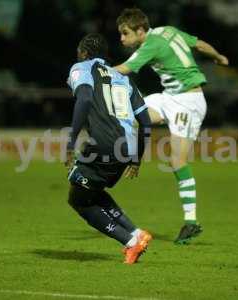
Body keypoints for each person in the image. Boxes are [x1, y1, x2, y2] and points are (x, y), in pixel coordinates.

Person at [114, 8, 229, 244]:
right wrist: (218, 57)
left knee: (177, 161)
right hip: (169, 96)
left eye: (125, 34)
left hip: (188, 103)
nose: (122, 39)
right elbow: (199, 44)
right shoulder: (169, 31)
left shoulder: (151, 44)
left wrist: (93, 71)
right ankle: (128, 158)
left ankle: (191, 222)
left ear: (140, 30)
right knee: (131, 113)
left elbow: (125, 68)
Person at [65, 33, 152, 264]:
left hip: (105, 143)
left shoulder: (82, 68)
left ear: (83, 53)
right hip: (127, 147)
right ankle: (136, 233)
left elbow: (83, 100)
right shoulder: (123, 77)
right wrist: (136, 158)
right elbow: (145, 121)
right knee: (90, 189)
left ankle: (130, 242)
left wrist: (71, 141)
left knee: (78, 199)